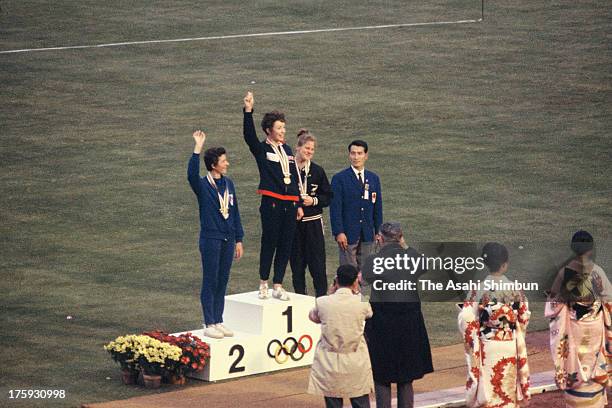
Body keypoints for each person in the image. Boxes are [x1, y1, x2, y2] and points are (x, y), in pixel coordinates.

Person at [361, 222, 433, 408]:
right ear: (400, 238)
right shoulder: (412, 258)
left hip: (382, 326)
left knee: (382, 376)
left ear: (380, 238)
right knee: (406, 378)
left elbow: (363, 280)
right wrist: (404, 244)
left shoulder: (374, 261)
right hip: (409, 325)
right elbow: (424, 264)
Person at [243, 91, 301, 301]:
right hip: (272, 202)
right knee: (270, 241)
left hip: (291, 203)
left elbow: (293, 176)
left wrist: (299, 202)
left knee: (286, 243)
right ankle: (263, 283)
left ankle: (278, 283)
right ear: (269, 130)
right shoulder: (261, 148)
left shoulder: (286, 149)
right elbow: (249, 136)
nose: (283, 131)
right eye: (279, 128)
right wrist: (248, 111)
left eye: (284, 127)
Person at [458, 242, 531, 408]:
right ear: (504, 265)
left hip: (487, 347)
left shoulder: (477, 289)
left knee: (489, 390)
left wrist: (478, 329)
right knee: (507, 389)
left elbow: (466, 318)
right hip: (509, 345)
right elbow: (524, 318)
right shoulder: (515, 289)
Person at [188, 130, 244, 339]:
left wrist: (239, 239)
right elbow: (191, 175)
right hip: (211, 238)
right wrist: (197, 148)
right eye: (223, 161)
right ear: (213, 165)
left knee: (222, 280)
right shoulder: (203, 185)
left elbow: (235, 212)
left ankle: (218, 320)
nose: (227, 163)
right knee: (210, 280)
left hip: (228, 239)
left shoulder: (229, 184)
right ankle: (208, 321)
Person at [545, 230, 611, 407]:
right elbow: (609, 300)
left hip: (575, 328)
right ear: (591, 249)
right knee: (595, 361)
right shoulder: (598, 272)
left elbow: (554, 304)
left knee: (574, 363)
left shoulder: (564, 273)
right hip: (596, 328)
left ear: (573, 249)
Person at [307, 264, 374, 408]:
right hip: (356, 361)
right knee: (361, 402)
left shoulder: (323, 302)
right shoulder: (362, 301)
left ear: (336, 280)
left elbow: (313, 317)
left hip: (329, 362)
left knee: (333, 402)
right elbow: (369, 313)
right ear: (356, 281)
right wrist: (357, 293)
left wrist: (331, 294)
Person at [289, 129, 332, 297]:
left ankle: (321, 302)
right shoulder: (288, 169)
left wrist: (313, 201)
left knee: (318, 267)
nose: (309, 152)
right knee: (297, 268)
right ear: (298, 147)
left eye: (312, 149)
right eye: (307, 148)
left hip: (313, 224)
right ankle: (300, 301)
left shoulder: (317, 171)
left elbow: (328, 197)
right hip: (294, 225)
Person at [330, 140, 383, 270]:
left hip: (367, 233)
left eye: (359, 153)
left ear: (366, 155)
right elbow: (335, 208)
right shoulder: (340, 178)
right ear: (349, 155)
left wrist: (378, 231)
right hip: (348, 235)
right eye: (353, 153)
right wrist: (339, 232)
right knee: (348, 272)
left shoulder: (373, 178)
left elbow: (377, 207)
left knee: (364, 273)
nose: (356, 157)